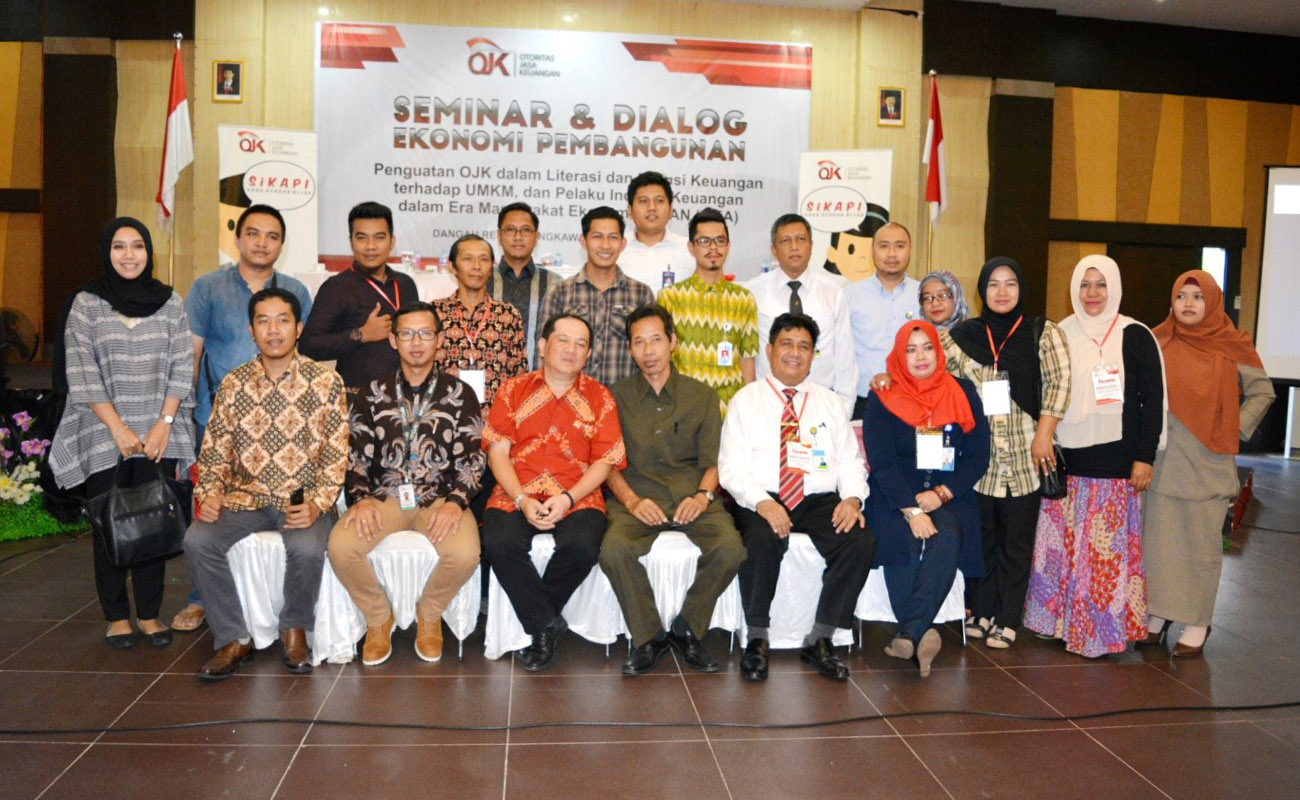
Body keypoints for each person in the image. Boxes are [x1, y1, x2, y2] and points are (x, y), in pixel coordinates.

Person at [184, 288, 348, 680]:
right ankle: (233, 636)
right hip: (246, 497)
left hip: (302, 497)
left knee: (307, 547)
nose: (273, 330)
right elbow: (215, 450)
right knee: (198, 540)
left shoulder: (326, 382)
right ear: (251, 330)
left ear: (299, 328)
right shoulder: (234, 384)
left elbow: (336, 453)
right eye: (263, 321)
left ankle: (295, 630)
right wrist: (209, 493)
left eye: (283, 320)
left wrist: (318, 503)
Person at [49, 218, 196, 649]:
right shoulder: (87, 304)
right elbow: (80, 368)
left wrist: (163, 425)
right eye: (119, 246)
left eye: (137, 246)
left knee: (153, 519)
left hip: (158, 432)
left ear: (149, 251)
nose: (129, 255)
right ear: (106, 252)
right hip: (102, 430)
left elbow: (182, 366)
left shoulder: (171, 303)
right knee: (108, 520)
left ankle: (149, 615)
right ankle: (116, 616)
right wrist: (117, 428)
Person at [173, 204, 313, 634]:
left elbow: (303, 359)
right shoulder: (208, 287)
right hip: (217, 419)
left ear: (281, 244)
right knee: (209, 511)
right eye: (253, 233)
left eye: (272, 236)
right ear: (238, 238)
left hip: (282, 429)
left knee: (282, 516)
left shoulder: (295, 290)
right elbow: (192, 353)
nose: (261, 243)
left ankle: (274, 604)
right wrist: (185, 416)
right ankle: (200, 599)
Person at [1023, 255, 1166, 657]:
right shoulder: (1059, 333)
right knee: (1062, 548)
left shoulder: (1135, 335)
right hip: (1067, 460)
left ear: (1114, 288)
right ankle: (1057, 624)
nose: (1092, 293)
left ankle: (1099, 632)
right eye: (1085, 284)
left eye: (1101, 284)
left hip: (1117, 463)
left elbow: (1152, 401)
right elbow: (1044, 392)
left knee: (1103, 553)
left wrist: (1145, 457)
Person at [719, 313, 874, 682]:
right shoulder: (746, 400)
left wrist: (852, 499)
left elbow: (850, 461)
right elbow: (731, 468)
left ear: (813, 355)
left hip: (815, 497)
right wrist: (762, 502)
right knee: (759, 538)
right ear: (769, 350)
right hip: (761, 496)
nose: (795, 353)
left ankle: (820, 638)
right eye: (786, 344)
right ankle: (757, 638)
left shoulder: (829, 402)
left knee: (859, 540)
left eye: (804, 346)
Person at [328, 301, 484, 666]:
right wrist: (361, 498)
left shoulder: (460, 393)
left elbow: (473, 459)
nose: (416, 342)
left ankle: (429, 615)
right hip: (385, 497)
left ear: (439, 340)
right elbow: (356, 454)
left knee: (465, 554)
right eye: (407, 334)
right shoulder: (372, 392)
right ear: (393, 340)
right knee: (341, 547)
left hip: (440, 498)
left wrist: (456, 503)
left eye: (425, 334)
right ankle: (378, 617)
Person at [600, 305, 746, 675]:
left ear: (673, 343)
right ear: (629, 349)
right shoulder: (613, 398)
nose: (648, 351)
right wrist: (632, 501)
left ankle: (686, 629)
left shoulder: (702, 395)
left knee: (730, 548)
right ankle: (649, 637)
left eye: (656, 340)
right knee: (614, 550)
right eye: (639, 342)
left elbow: (714, 461)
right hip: (637, 497)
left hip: (691, 496)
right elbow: (607, 464)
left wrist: (703, 496)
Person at [480, 314, 626, 671]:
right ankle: (546, 624)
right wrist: (521, 499)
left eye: (580, 344)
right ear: (543, 346)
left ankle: (539, 622)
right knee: (498, 543)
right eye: (563, 340)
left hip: (578, 495)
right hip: (516, 491)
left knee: (583, 546)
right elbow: (497, 452)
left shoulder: (600, 397)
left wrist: (569, 498)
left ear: (588, 354)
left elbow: (605, 461)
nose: (571, 349)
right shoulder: (512, 390)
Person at [1142, 270, 1273, 657]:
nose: (1188, 303)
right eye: (1181, 296)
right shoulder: (1158, 340)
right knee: (1159, 544)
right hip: (1163, 460)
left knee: (1199, 548)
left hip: (1207, 461)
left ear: (1212, 302)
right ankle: (1158, 615)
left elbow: (1262, 392)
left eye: (1197, 297)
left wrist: (1233, 428)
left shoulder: (1231, 344)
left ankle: (1198, 621)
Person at [943, 257, 1070, 649]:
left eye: (1010, 283)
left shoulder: (1042, 332)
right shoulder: (961, 336)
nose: (1001, 292)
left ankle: (1009, 618)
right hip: (978, 458)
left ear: (1021, 289)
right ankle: (982, 611)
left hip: (1026, 454)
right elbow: (930, 375)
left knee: (1016, 541)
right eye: (993, 284)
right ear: (982, 289)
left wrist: (1045, 435)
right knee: (982, 539)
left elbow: (1059, 383)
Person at [863, 321, 987, 676]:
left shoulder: (963, 391)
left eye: (927, 347)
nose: (920, 356)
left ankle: (908, 634)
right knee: (898, 536)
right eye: (911, 349)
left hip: (948, 494)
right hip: (894, 493)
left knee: (948, 534)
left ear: (938, 350)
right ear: (899, 355)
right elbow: (882, 461)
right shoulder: (883, 395)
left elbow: (979, 455)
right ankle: (919, 632)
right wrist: (912, 510)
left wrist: (942, 494)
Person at [745, 213, 858, 414]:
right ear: (773, 250)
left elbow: (845, 358)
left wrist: (843, 411)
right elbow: (746, 357)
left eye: (801, 239)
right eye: (785, 241)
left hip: (821, 403)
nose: (794, 247)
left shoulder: (832, 292)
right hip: (767, 404)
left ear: (811, 246)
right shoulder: (752, 293)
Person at [300, 201, 419, 391]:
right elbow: (308, 346)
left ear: (392, 242)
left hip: (405, 394)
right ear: (351, 242)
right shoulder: (336, 287)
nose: (370, 246)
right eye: (362, 238)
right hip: (357, 398)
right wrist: (361, 335)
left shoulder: (405, 284)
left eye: (379, 237)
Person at [657, 207, 760, 413]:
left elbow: (747, 360)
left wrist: (748, 410)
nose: (713, 247)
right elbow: (663, 359)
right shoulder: (670, 298)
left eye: (720, 240)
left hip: (730, 410)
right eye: (704, 241)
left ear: (728, 246)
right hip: (684, 409)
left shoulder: (743, 299)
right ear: (691, 247)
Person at [538, 207, 655, 386]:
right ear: (583, 241)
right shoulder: (560, 292)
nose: (605, 245)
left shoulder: (641, 294)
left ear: (623, 244)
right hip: (570, 397)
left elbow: (650, 355)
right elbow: (544, 354)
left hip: (623, 400)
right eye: (597, 237)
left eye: (613, 237)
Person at [432, 234, 526, 407]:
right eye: (468, 259)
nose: (476, 266)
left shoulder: (508, 315)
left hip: (495, 415)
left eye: (483, 259)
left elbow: (518, 374)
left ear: (491, 268)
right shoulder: (434, 313)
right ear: (452, 266)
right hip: (444, 414)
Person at [847, 222, 921, 419]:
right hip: (863, 399)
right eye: (884, 246)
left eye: (899, 246)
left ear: (910, 250)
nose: (892, 254)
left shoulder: (923, 294)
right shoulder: (849, 295)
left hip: (913, 397)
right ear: (872, 250)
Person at [488, 202, 556, 369]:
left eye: (526, 230)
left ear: (536, 237)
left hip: (541, 378)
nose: (518, 237)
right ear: (499, 236)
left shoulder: (556, 284)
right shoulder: (483, 281)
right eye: (510, 230)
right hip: (491, 377)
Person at [619, 171, 693, 294]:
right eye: (643, 201)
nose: (652, 208)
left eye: (659, 201)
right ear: (630, 210)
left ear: (671, 209)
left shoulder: (690, 250)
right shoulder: (615, 249)